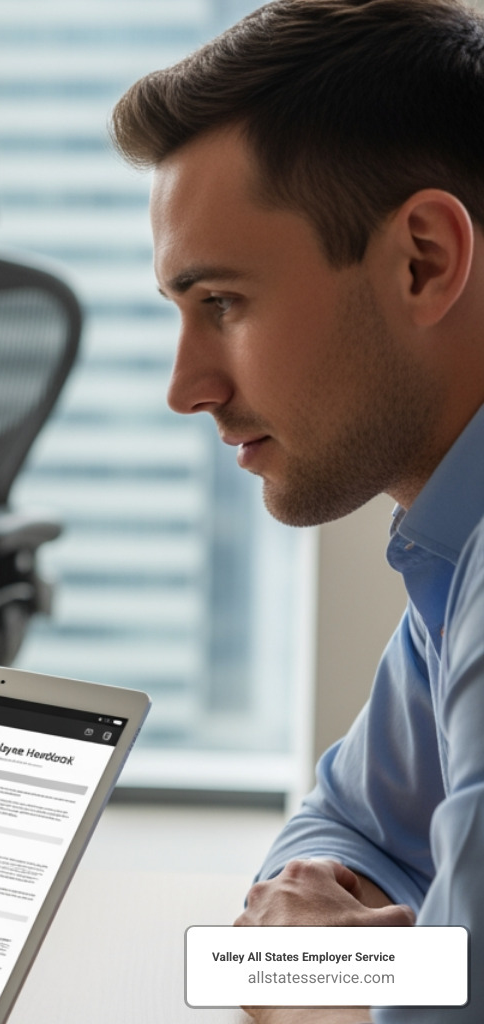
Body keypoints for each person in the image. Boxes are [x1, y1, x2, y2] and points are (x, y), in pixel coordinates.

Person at [110, 0, 484, 1021]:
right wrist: (340, 958)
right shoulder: (451, 551)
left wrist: (312, 976)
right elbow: (345, 828)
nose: (186, 388)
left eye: (223, 303)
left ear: (423, 261)